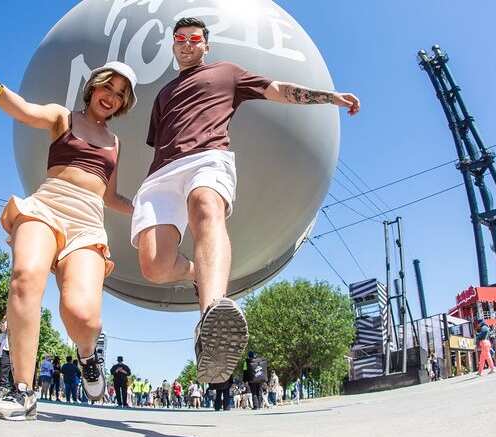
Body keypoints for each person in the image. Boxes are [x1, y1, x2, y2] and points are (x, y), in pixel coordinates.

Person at [130, 17, 360, 384]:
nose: (187, 44)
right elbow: (160, 142)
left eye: (194, 39)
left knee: (207, 207)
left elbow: (280, 90)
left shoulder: (227, 73)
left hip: (208, 159)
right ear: (174, 46)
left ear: (206, 46)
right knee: (155, 268)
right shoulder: (163, 96)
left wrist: (329, 98)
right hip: (162, 174)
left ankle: (211, 316)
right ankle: (198, 276)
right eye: (180, 39)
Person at [0, 60, 138, 422]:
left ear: (124, 104)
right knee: (25, 276)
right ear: (94, 87)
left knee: (82, 316)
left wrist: (142, 211)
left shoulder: (115, 143)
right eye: (109, 87)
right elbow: (26, 111)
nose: (112, 97)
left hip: (88, 223)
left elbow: (109, 196)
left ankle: (89, 353)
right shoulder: (64, 118)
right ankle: (23, 390)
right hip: (47, 207)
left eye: (121, 95)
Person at [0, 316, 13, 398]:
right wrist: (4, 319)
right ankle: (4, 388)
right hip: (6, 348)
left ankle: (14, 389)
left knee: (14, 372)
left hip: (17, 350)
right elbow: (3, 328)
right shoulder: (8, 319)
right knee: (4, 369)